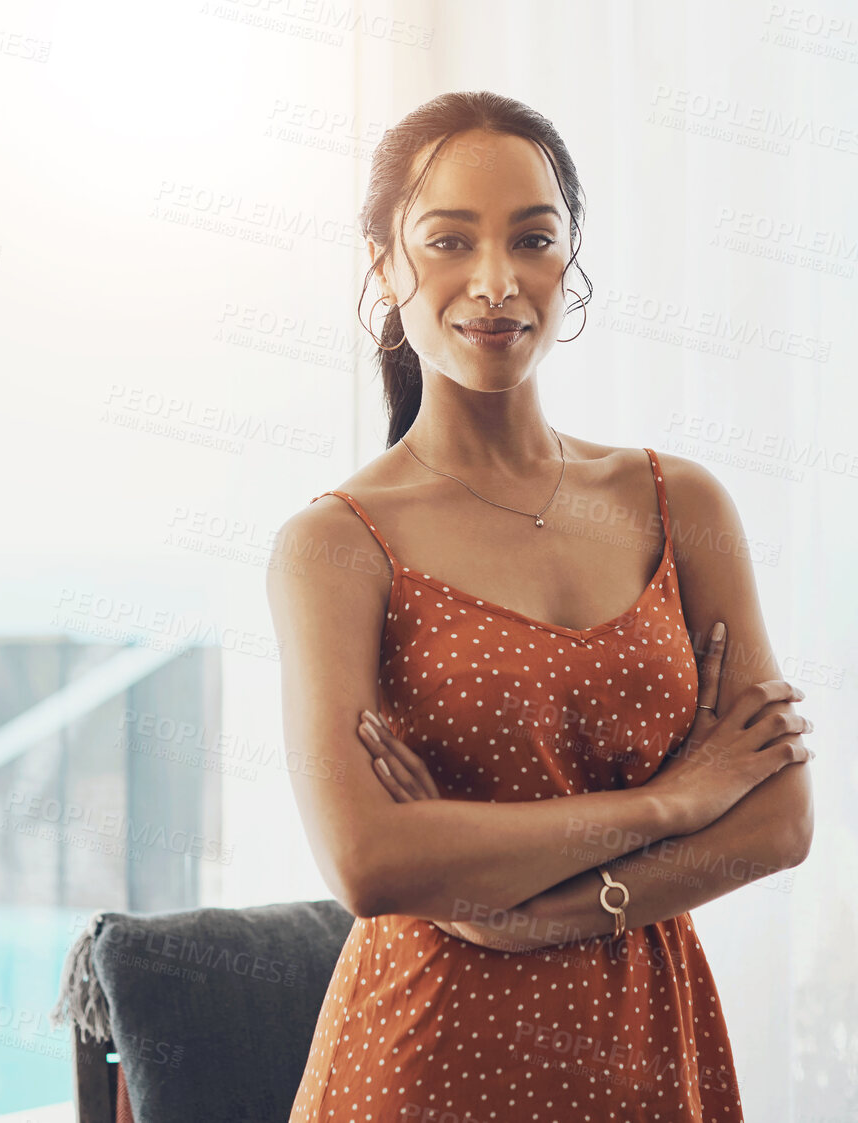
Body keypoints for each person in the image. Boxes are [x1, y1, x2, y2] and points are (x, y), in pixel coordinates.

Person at [267, 90, 815, 1122]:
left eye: (533, 238)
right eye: (447, 241)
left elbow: (780, 821)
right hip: (425, 1059)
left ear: (571, 259)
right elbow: (370, 861)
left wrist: (523, 912)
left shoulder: (677, 504)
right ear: (384, 266)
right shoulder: (336, 547)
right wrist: (675, 804)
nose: (496, 281)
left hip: (650, 1047)